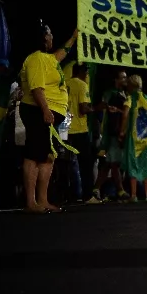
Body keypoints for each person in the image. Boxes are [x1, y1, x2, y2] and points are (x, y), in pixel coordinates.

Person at [17, 22, 75, 213]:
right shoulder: (36, 59)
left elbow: (62, 53)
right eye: (49, 33)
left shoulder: (48, 59)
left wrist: (74, 37)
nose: (52, 37)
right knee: (35, 155)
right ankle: (31, 202)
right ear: (42, 37)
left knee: (48, 156)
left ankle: (43, 200)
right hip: (38, 111)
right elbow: (36, 88)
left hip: (49, 113)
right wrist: (45, 110)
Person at [119, 74, 147, 202]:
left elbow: (125, 114)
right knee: (146, 164)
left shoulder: (131, 98)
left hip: (133, 137)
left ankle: (133, 195)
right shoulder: (146, 98)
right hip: (145, 137)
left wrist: (122, 131)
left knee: (132, 163)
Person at [93, 69, 129, 201]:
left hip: (120, 132)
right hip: (112, 132)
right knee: (114, 163)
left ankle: (96, 190)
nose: (125, 80)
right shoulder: (110, 93)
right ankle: (120, 191)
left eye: (126, 77)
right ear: (116, 79)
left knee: (109, 163)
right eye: (123, 77)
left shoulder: (124, 94)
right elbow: (106, 108)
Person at [64, 63, 97, 204]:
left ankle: (66, 195)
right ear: (82, 72)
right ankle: (88, 196)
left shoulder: (65, 84)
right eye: (86, 71)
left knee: (65, 164)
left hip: (65, 128)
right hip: (79, 129)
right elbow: (83, 108)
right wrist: (95, 108)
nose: (87, 74)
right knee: (85, 164)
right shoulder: (82, 85)